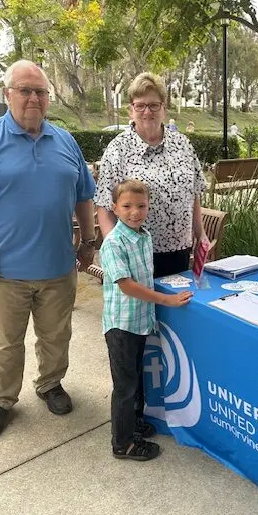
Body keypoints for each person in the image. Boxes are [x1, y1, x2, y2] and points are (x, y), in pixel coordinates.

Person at [0, 59, 97, 439]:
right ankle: (0, 400)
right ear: (7, 94)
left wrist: (88, 241)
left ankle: (50, 384)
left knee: (56, 336)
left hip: (58, 267)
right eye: (25, 90)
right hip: (4, 269)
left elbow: (84, 195)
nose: (34, 98)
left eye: (41, 92)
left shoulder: (65, 141)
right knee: (4, 343)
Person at [100, 179, 192, 461]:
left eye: (141, 206)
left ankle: (134, 422)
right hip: (122, 325)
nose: (135, 212)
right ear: (114, 208)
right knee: (125, 386)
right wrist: (166, 300)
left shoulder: (144, 235)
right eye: (127, 206)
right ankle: (123, 443)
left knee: (135, 379)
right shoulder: (114, 243)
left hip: (140, 322)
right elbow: (126, 285)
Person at [94, 72, 208, 278]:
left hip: (180, 251)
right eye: (140, 105)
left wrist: (201, 235)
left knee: (177, 307)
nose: (147, 111)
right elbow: (104, 205)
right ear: (131, 110)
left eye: (154, 105)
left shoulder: (182, 144)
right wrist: (114, 251)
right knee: (142, 309)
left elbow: (194, 194)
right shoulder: (118, 149)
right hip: (134, 255)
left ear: (164, 108)